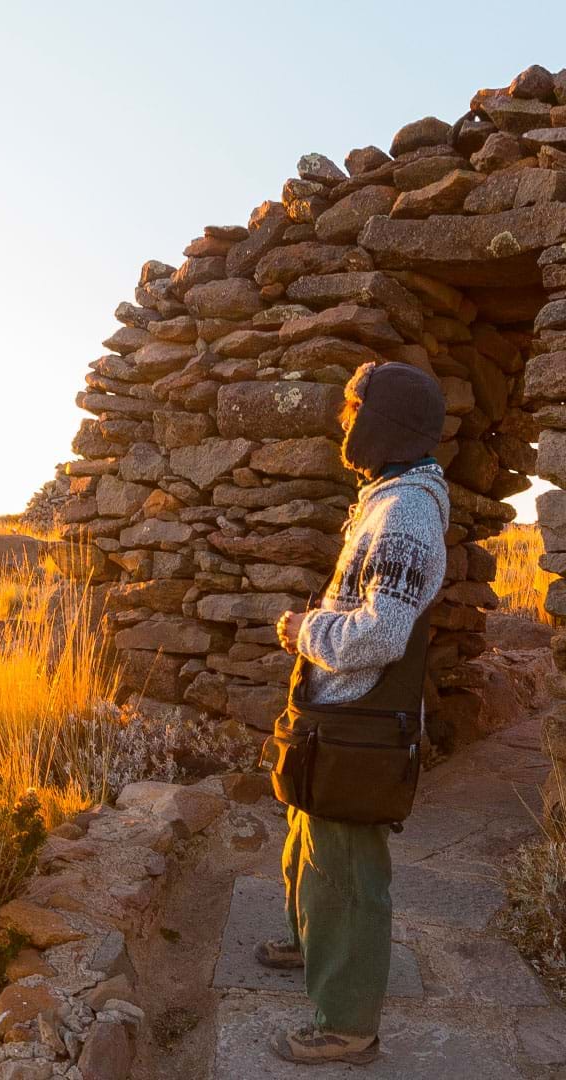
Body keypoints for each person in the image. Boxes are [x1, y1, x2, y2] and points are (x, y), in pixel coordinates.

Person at [261, 361, 449, 1066]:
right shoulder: (386, 495)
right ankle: (312, 939)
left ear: (382, 424)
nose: (342, 420)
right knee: (308, 842)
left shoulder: (403, 513)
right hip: (338, 717)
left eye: (351, 408)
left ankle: (346, 1022)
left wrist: (301, 629)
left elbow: (378, 634)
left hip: (359, 725)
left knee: (346, 870)